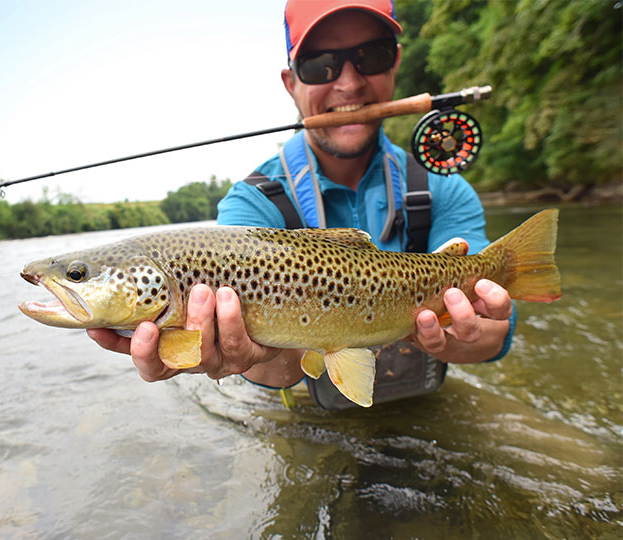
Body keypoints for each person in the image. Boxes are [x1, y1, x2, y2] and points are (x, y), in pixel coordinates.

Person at [87, 0, 515, 408]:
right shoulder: (252, 204)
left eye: (372, 56)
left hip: (425, 406)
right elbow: (265, 372)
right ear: (291, 83)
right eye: (320, 64)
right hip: (304, 417)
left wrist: (465, 329)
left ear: (396, 63)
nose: (348, 83)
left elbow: (495, 335)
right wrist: (248, 356)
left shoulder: (444, 189)